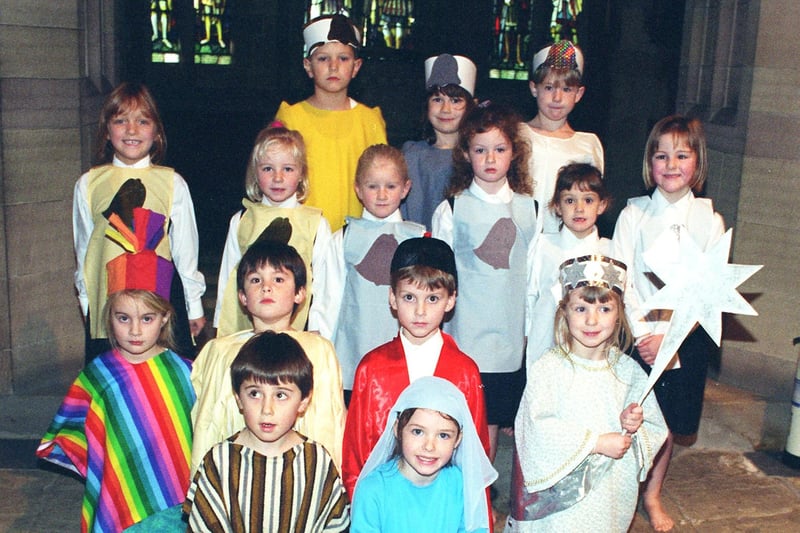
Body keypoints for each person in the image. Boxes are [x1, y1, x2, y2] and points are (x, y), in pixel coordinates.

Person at [37, 223, 195, 532]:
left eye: (147, 319)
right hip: (118, 500)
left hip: (176, 506)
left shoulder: (184, 371)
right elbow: (74, 434)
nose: (135, 331)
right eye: (123, 318)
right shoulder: (98, 376)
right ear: (109, 317)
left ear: (164, 318)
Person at [612, 115, 725, 531]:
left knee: (669, 423)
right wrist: (646, 335)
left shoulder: (709, 222)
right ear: (649, 163)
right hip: (637, 335)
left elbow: (709, 290)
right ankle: (622, 490)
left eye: (682, 154)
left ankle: (653, 494)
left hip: (685, 338)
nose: (671, 164)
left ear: (698, 161)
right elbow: (621, 282)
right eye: (661, 155)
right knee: (633, 413)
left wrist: (672, 338)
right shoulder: (633, 216)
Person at [507, 255, 667, 532]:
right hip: (560, 501)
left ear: (619, 314)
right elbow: (535, 427)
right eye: (580, 308)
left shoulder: (629, 372)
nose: (592, 320)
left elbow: (655, 428)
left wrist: (634, 425)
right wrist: (595, 442)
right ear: (564, 312)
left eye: (605, 309)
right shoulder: (549, 368)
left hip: (609, 495)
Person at [341, 236, 490, 497]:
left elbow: (475, 456)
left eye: (432, 299)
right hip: (385, 498)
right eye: (409, 297)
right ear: (393, 298)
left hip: (444, 499)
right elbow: (356, 453)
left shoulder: (464, 371)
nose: (420, 311)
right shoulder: (372, 368)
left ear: (450, 300)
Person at [432, 102, 537, 461]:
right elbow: (438, 277)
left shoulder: (529, 210)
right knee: (456, 418)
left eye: (499, 149)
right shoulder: (453, 208)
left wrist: (529, 329)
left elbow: (534, 277)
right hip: (463, 335)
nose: (490, 158)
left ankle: (482, 500)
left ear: (514, 153)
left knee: (489, 423)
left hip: (507, 340)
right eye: (480, 150)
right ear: (465, 154)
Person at [73, 81, 205, 361]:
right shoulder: (89, 184)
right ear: (107, 131)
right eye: (120, 121)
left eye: (142, 121)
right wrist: (88, 304)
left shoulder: (172, 183)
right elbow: (85, 251)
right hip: (109, 303)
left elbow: (185, 251)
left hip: (159, 300)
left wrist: (194, 306)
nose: (131, 130)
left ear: (156, 132)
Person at [190, 240, 345, 473]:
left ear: (300, 293)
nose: (266, 287)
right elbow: (206, 426)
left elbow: (330, 422)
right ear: (242, 296)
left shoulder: (318, 350)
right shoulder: (219, 351)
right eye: (255, 280)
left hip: (301, 472)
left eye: (279, 279)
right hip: (234, 473)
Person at [185, 331, 350, 532]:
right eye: (255, 393)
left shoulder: (316, 460)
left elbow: (335, 525)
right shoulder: (220, 460)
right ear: (238, 398)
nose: (267, 409)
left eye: (280, 395)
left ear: (303, 401)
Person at [308, 144, 425, 400]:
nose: (382, 195)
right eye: (373, 186)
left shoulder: (417, 238)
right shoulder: (344, 238)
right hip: (353, 352)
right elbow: (328, 297)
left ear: (405, 188)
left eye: (391, 186)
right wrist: (324, 350)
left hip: (404, 352)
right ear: (358, 189)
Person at [214, 125, 331, 337]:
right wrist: (220, 325)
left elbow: (323, 284)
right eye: (268, 169)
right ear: (255, 173)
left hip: (297, 326)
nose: (278, 178)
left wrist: (317, 327)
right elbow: (228, 278)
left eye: (287, 169)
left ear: (301, 173)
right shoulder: (242, 220)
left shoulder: (315, 223)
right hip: (248, 326)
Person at [275, 14, 387, 231]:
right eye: (323, 58)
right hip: (303, 233)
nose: (333, 66)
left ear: (356, 67)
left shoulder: (369, 120)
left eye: (343, 59)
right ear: (308, 66)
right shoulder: (292, 118)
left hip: (356, 232)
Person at [351, 376, 497, 533]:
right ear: (397, 430)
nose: (429, 446)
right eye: (418, 432)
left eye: (443, 435)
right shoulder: (374, 489)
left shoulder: (462, 485)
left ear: (458, 439)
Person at [525, 162, 612, 372]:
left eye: (588, 200)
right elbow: (531, 293)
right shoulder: (544, 246)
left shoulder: (609, 251)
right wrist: (526, 334)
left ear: (601, 205)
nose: (579, 208)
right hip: (545, 343)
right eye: (570, 200)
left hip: (592, 348)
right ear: (557, 205)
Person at [520, 40, 604, 234]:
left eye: (566, 89)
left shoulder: (587, 145)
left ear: (579, 94)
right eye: (549, 87)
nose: (557, 98)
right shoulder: (515, 135)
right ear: (534, 88)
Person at [401, 53, 477, 230]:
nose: (446, 109)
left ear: (471, 105)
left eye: (455, 100)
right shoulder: (411, 155)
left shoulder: (476, 156)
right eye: (437, 99)